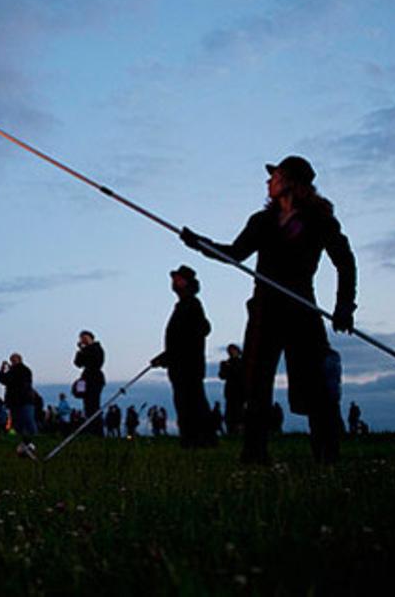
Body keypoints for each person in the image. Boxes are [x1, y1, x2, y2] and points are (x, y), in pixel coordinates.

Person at [181, 155, 356, 464]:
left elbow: (345, 261)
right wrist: (199, 243)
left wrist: (344, 305)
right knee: (256, 386)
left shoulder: (319, 219)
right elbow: (235, 253)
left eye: (274, 176)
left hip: (302, 310)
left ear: (290, 181)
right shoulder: (261, 221)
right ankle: (254, 454)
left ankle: (326, 454)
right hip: (264, 313)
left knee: (314, 386)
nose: (268, 182)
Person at [152, 265, 216, 448]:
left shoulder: (192, 304)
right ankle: (193, 439)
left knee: (192, 402)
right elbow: (181, 339)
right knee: (186, 402)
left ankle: (200, 439)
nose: (174, 282)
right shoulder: (183, 305)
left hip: (188, 365)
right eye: (174, 279)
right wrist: (166, 357)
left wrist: (169, 356)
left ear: (187, 283)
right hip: (180, 364)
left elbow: (198, 331)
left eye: (178, 279)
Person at [73, 331, 106, 435]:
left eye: (85, 337)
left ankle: (97, 430)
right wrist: (80, 350)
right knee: (88, 406)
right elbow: (78, 363)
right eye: (81, 338)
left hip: (95, 379)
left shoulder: (97, 349)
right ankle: (91, 429)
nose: (83, 340)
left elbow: (95, 361)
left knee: (94, 405)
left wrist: (84, 350)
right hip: (86, 379)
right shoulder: (84, 350)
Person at [0, 353, 37, 439]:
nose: (12, 361)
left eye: (14, 360)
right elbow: (2, 379)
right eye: (12, 360)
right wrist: (2, 370)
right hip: (14, 401)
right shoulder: (12, 371)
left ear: (19, 359)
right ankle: (20, 437)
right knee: (17, 422)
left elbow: (14, 381)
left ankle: (34, 437)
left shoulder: (24, 370)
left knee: (28, 419)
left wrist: (8, 372)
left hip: (24, 400)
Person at [218, 344, 245, 437]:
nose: (231, 352)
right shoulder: (227, 363)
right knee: (230, 412)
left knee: (239, 412)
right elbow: (222, 376)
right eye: (230, 351)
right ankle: (232, 430)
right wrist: (223, 367)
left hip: (239, 391)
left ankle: (239, 430)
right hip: (230, 392)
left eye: (233, 350)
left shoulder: (241, 363)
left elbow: (240, 374)